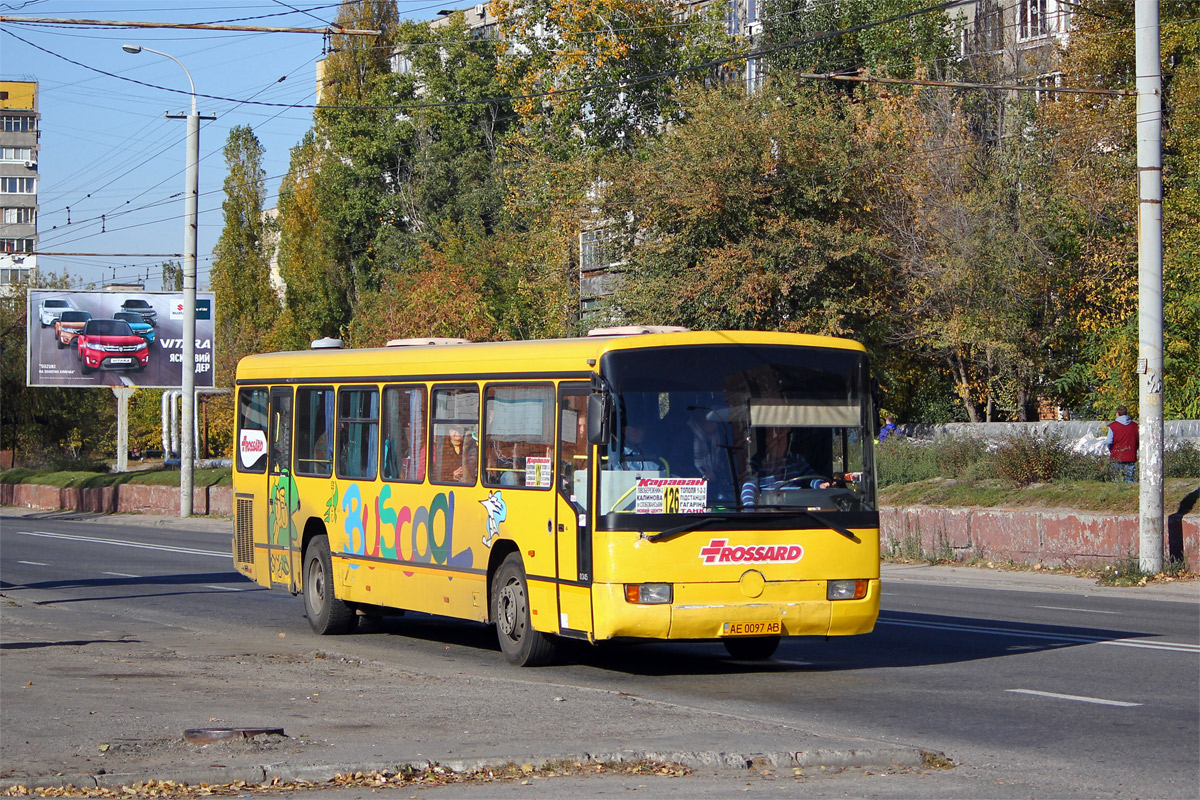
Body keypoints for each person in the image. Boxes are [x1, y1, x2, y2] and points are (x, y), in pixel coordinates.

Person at [1105, 405, 1138, 483]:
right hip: (1131, 456)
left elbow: (1109, 441)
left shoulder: (1113, 426)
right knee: (1130, 479)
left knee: (1117, 479)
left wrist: (1111, 450)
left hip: (1116, 456)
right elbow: (1137, 440)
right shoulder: (1135, 426)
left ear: (1117, 414)